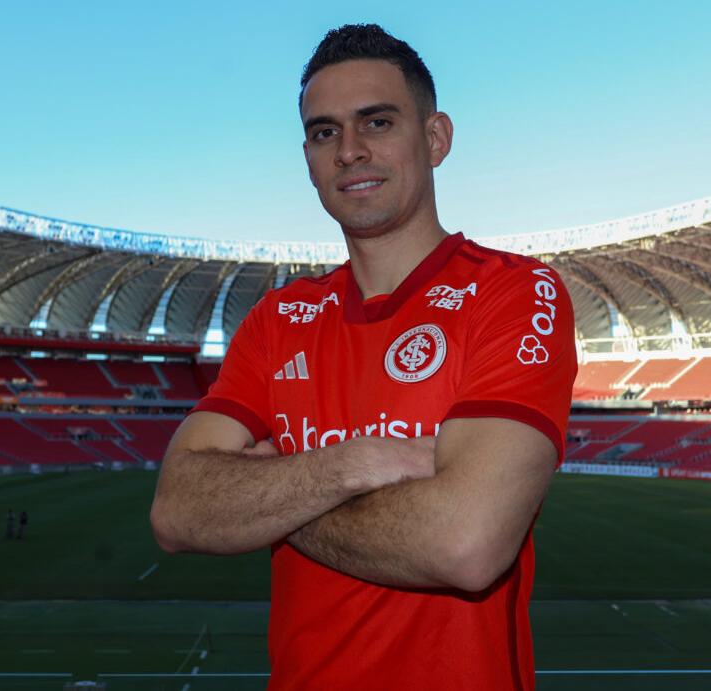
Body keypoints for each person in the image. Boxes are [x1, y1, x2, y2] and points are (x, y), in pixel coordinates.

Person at [150, 24, 575, 691]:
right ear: (307, 156)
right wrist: (359, 462)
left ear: (434, 139)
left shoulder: (513, 292)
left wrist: (272, 495)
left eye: (376, 121)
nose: (349, 151)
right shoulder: (278, 319)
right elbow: (176, 509)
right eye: (324, 132)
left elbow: (465, 544)